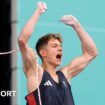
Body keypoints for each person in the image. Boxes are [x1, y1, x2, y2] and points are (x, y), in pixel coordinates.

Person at [18, 2, 98, 105]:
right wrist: (38, 12)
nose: (60, 49)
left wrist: (77, 26)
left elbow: (91, 53)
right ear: (43, 53)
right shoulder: (36, 72)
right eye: (54, 46)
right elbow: (22, 41)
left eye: (61, 46)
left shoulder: (65, 74)